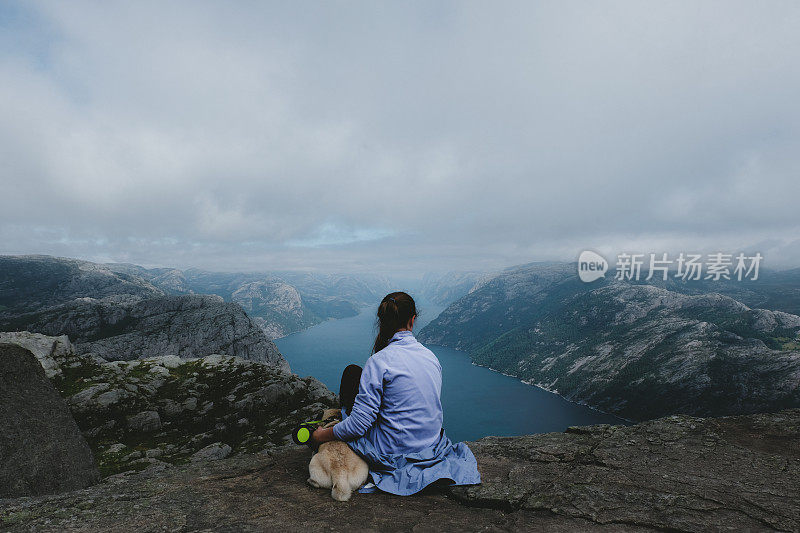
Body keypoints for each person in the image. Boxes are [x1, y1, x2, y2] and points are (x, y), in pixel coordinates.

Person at [311, 291, 481, 495]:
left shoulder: (379, 361)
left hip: (394, 449)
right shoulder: (431, 357)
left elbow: (359, 425)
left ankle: (333, 423)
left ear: (382, 321)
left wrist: (322, 435)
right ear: (413, 320)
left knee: (351, 374)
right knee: (356, 375)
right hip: (430, 444)